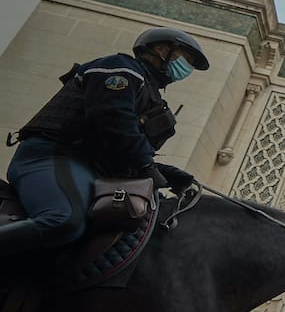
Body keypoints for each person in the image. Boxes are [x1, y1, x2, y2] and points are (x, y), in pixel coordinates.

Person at [1, 27, 209, 266]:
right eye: (186, 59)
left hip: (92, 169)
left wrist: (162, 172)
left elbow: (120, 149)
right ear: (162, 50)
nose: (187, 69)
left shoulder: (152, 94)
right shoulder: (119, 68)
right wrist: (147, 166)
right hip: (52, 156)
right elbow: (112, 122)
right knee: (64, 220)